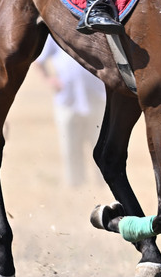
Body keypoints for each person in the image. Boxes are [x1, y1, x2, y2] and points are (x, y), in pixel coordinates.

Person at [33, 35, 106, 188]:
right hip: (68, 100)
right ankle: (76, 186)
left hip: (97, 98)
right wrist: (49, 80)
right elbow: (39, 61)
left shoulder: (98, 30)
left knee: (100, 145)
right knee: (70, 147)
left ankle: (104, 183)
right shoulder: (56, 33)